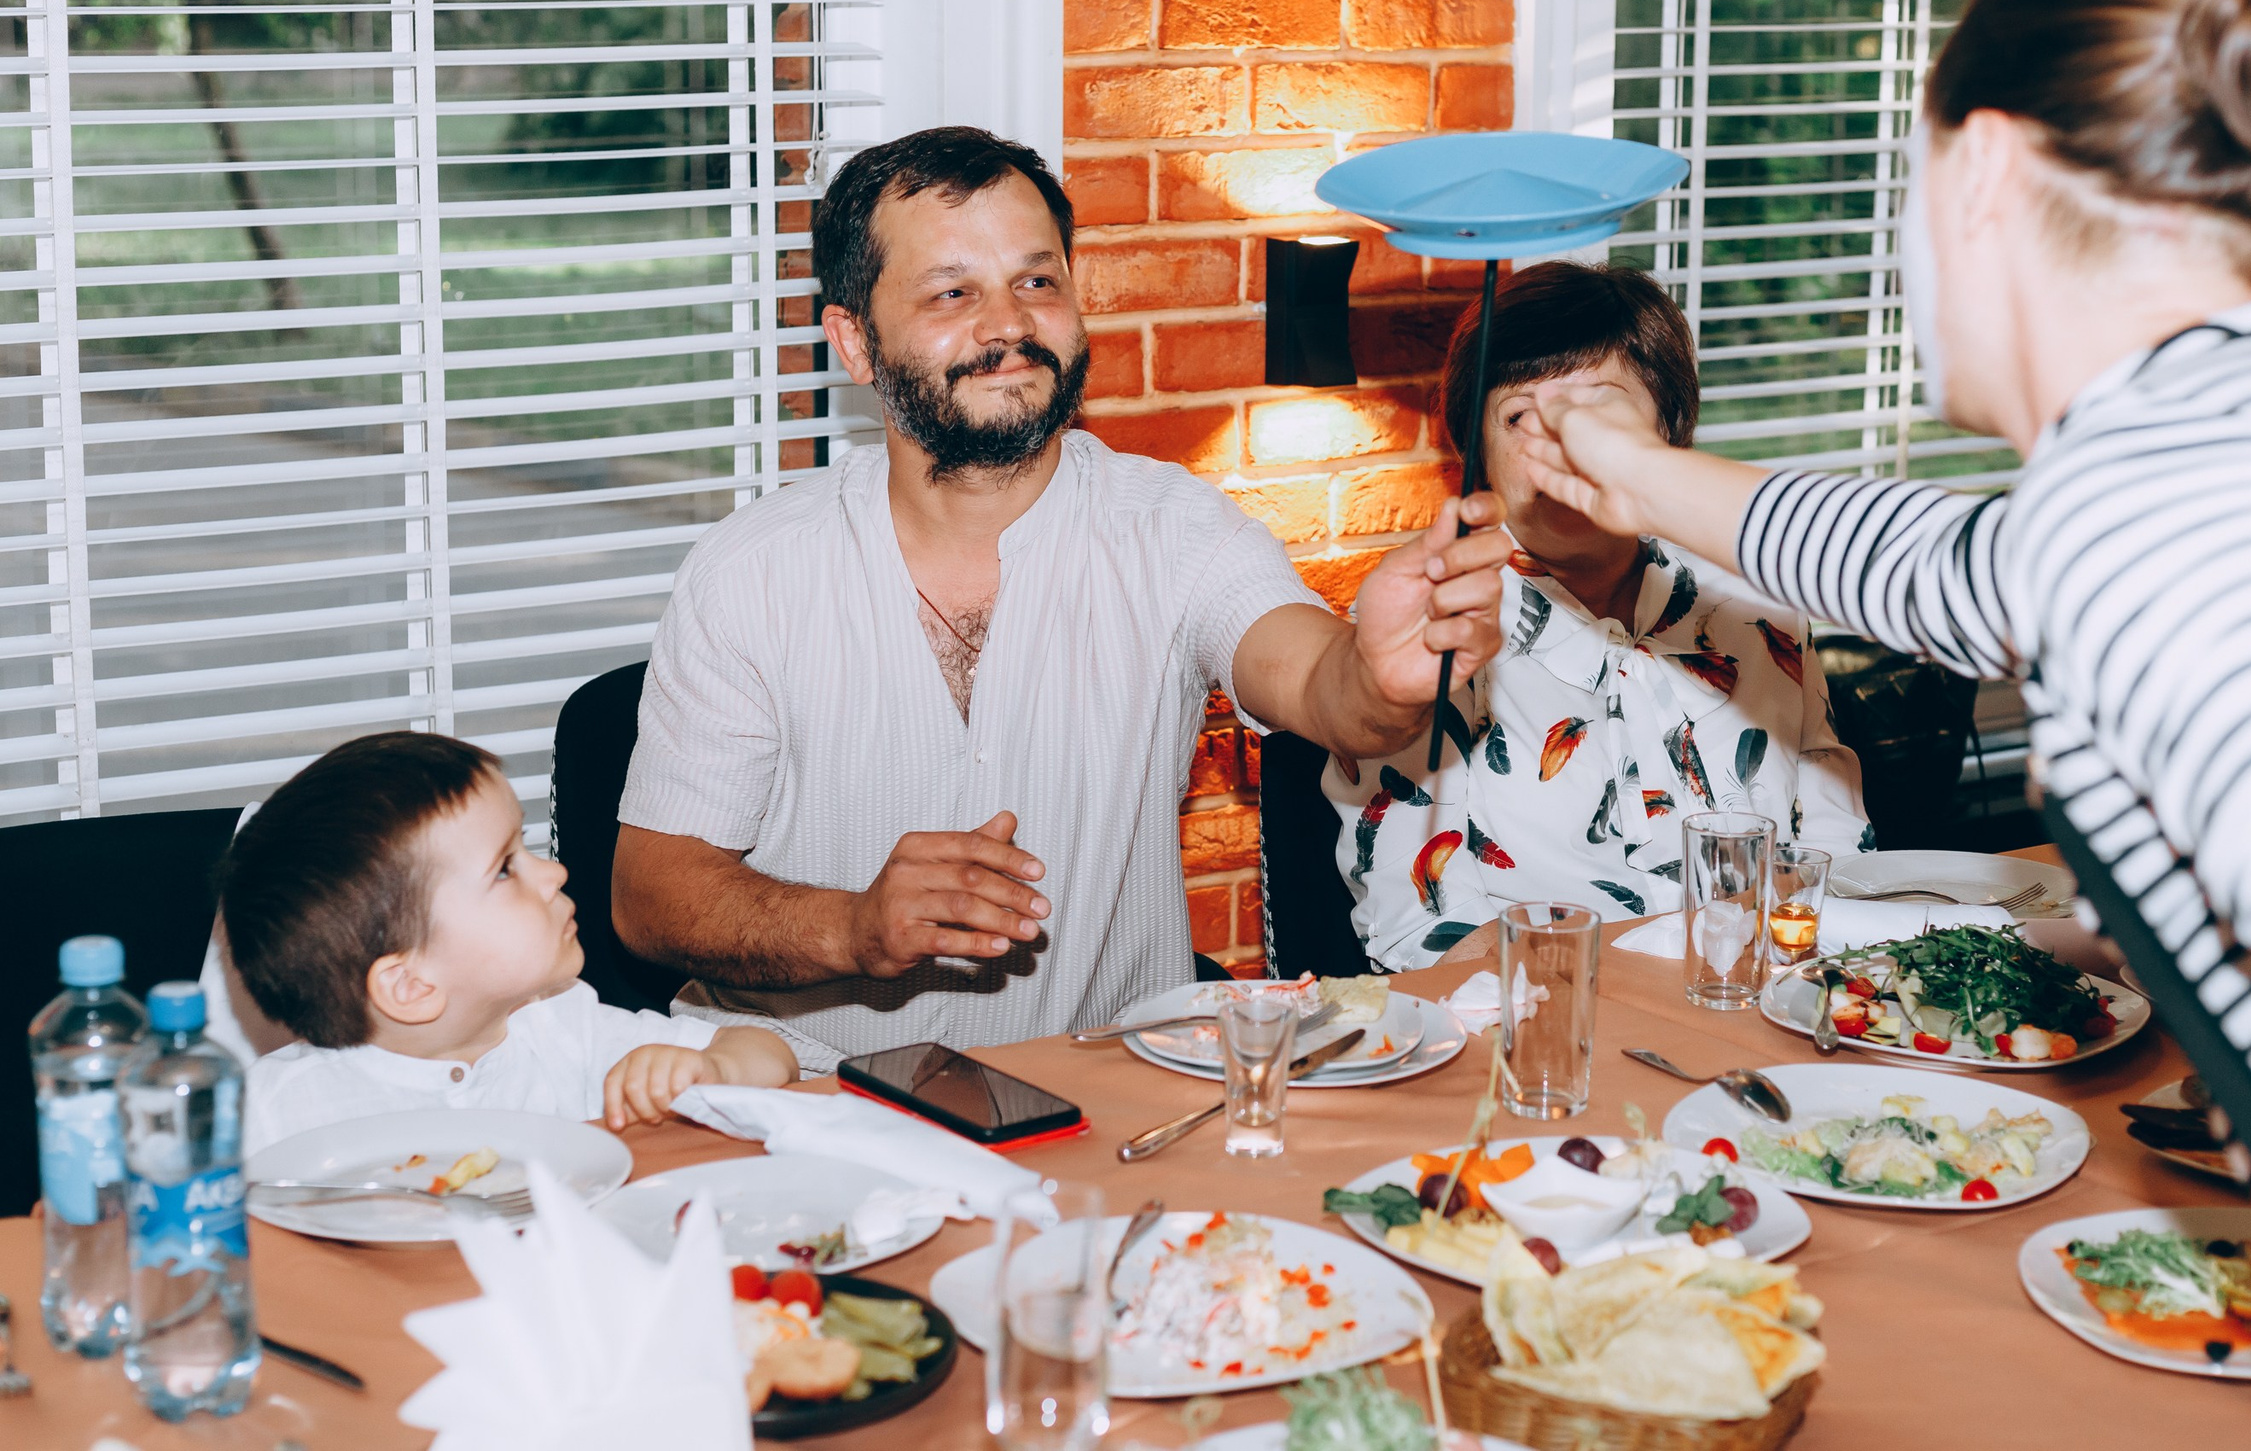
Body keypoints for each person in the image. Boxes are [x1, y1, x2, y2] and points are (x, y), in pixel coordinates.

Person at [1515, 0, 2251, 1451]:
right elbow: (1955, 570)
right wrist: (1633, 467)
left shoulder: (2164, 495)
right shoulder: (2233, 436)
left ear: (1983, 170)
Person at [611, 126, 1510, 1063]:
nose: (1009, 324)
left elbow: (1324, 686)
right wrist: (854, 928)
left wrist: (1381, 674)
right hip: (802, 1101)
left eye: (1038, 281)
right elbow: (651, 894)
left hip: (1100, 1104)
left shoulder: (1173, 527)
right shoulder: (749, 571)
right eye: (952, 292)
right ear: (855, 342)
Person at [1324, 262, 1868, 968]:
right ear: (1476, 448)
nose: (1557, 444)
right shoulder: (1433, 616)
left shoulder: (1755, 594)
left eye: (1595, 411)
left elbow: (1840, 859)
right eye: (1520, 415)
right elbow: (1419, 925)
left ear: (1667, 425)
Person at [224, 732, 799, 1157]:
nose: (553, 874)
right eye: (505, 869)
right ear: (411, 985)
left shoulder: (559, 1027)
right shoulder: (269, 1115)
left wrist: (712, 1068)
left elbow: (772, 1057)